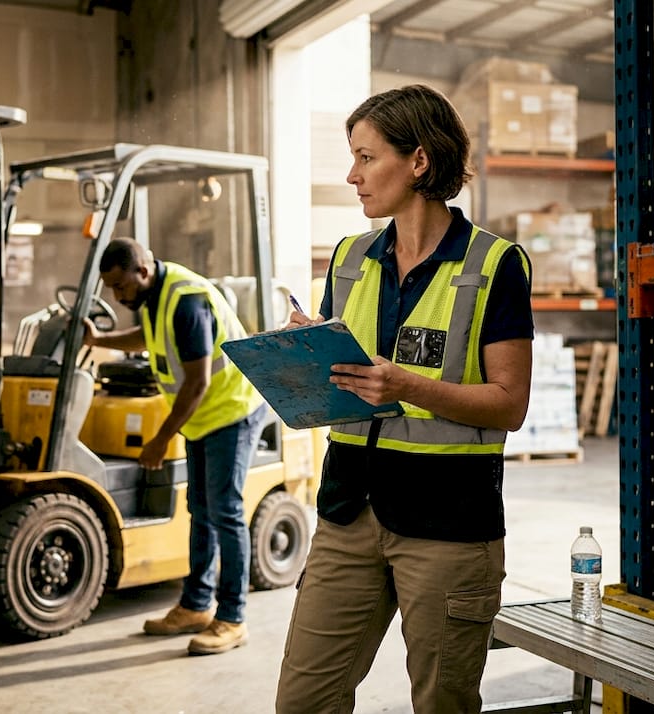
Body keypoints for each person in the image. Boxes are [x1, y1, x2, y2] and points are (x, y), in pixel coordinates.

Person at [275, 85, 534, 713]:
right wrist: (304, 357)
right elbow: (346, 386)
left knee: (442, 704)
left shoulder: (493, 265)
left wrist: (408, 386)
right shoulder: (349, 260)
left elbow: (509, 405)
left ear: (418, 161)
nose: (352, 175)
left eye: (366, 158)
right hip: (347, 513)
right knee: (303, 701)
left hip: (448, 524)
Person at [82, 237, 266, 656]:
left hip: (230, 411)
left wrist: (160, 439)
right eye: (111, 288)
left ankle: (232, 617)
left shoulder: (186, 300)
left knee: (225, 512)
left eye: (120, 286)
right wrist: (100, 341)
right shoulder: (155, 297)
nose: (118, 295)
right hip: (202, 418)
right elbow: (148, 339)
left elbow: (198, 381)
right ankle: (196, 606)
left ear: (142, 272)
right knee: (199, 509)